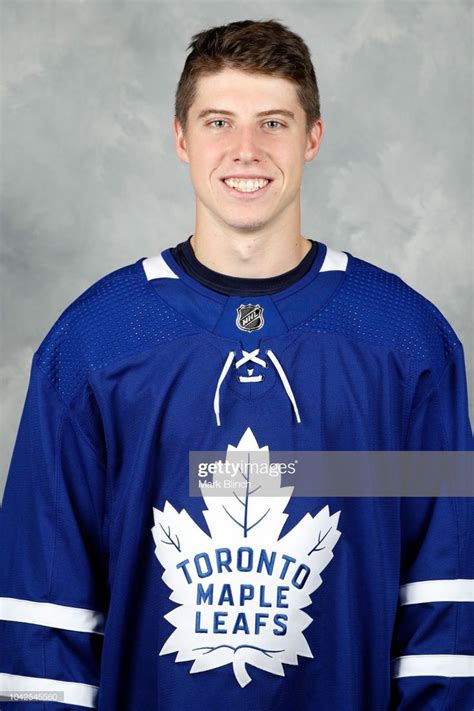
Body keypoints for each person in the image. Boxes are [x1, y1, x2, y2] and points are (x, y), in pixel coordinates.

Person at [0, 18, 473, 711]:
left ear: (313, 137)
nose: (245, 150)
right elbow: (43, 618)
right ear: (181, 137)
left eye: (273, 123)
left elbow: (446, 606)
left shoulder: (407, 343)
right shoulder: (93, 344)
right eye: (219, 121)